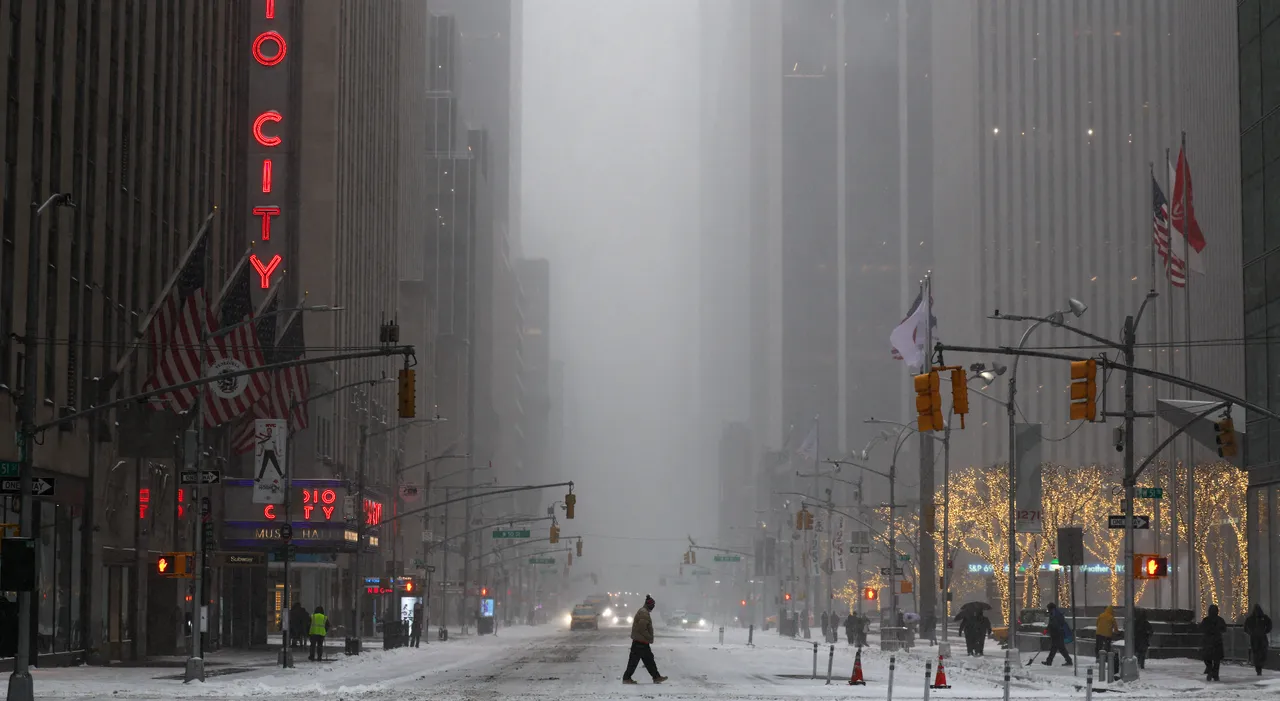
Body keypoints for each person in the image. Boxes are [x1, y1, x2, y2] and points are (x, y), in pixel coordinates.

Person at [622, 595, 667, 685]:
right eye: (652, 605)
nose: (653, 607)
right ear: (649, 605)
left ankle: (656, 677)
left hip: (641, 642)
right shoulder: (644, 613)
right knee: (635, 662)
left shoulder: (644, 612)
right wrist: (649, 637)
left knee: (648, 660)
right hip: (640, 642)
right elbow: (642, 628)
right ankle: (627, 678)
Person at [1200, 603, 1227, 682]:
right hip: (1217, 642)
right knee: (1216, 660)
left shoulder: (1206, 620)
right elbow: (1224, 629)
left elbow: (1201, 628)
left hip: (1208, 641)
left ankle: (1210, 670)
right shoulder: (1220, 620)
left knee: (1207, 658)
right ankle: (1215, 674)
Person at [1244, 604, 1272, 676]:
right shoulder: (1255, 618)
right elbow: (1246, 627)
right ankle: (1259, 668)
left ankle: (1259, 667)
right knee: (1259, 653)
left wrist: (1251, 633)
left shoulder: (1255, 618)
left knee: (1258, 653)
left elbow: (1246, 627)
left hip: (1258, 638)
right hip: (1258, 638)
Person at [1043, 602, 1072, 667]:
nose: (1048, 610)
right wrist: (1046, 629)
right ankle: (1049, 661)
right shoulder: (1054, 613)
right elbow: (1051, 624)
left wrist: (1049, 630)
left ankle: (1068, 660)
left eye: (1048, 608)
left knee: (1060, 648)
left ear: (1051, 608)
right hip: (1057, 634)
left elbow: (1054, 624)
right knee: (1055, 648)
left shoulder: (1055, 614)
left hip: (1057, 634)